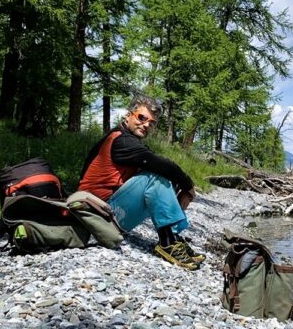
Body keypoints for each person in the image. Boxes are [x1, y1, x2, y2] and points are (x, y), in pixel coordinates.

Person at [78, 94, 205, 270]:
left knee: (162, 174)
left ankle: (174, 238)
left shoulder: (127, 140)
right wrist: (188, 186)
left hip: (108, 212)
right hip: (98, 217)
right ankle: (167, 243)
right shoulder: (121, 141)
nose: (146, 125)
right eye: (142, 118)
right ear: (129, 115)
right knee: (156, 176)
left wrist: (180, 185)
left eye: (151, 123)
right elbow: (163, 165)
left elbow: (158, 164)